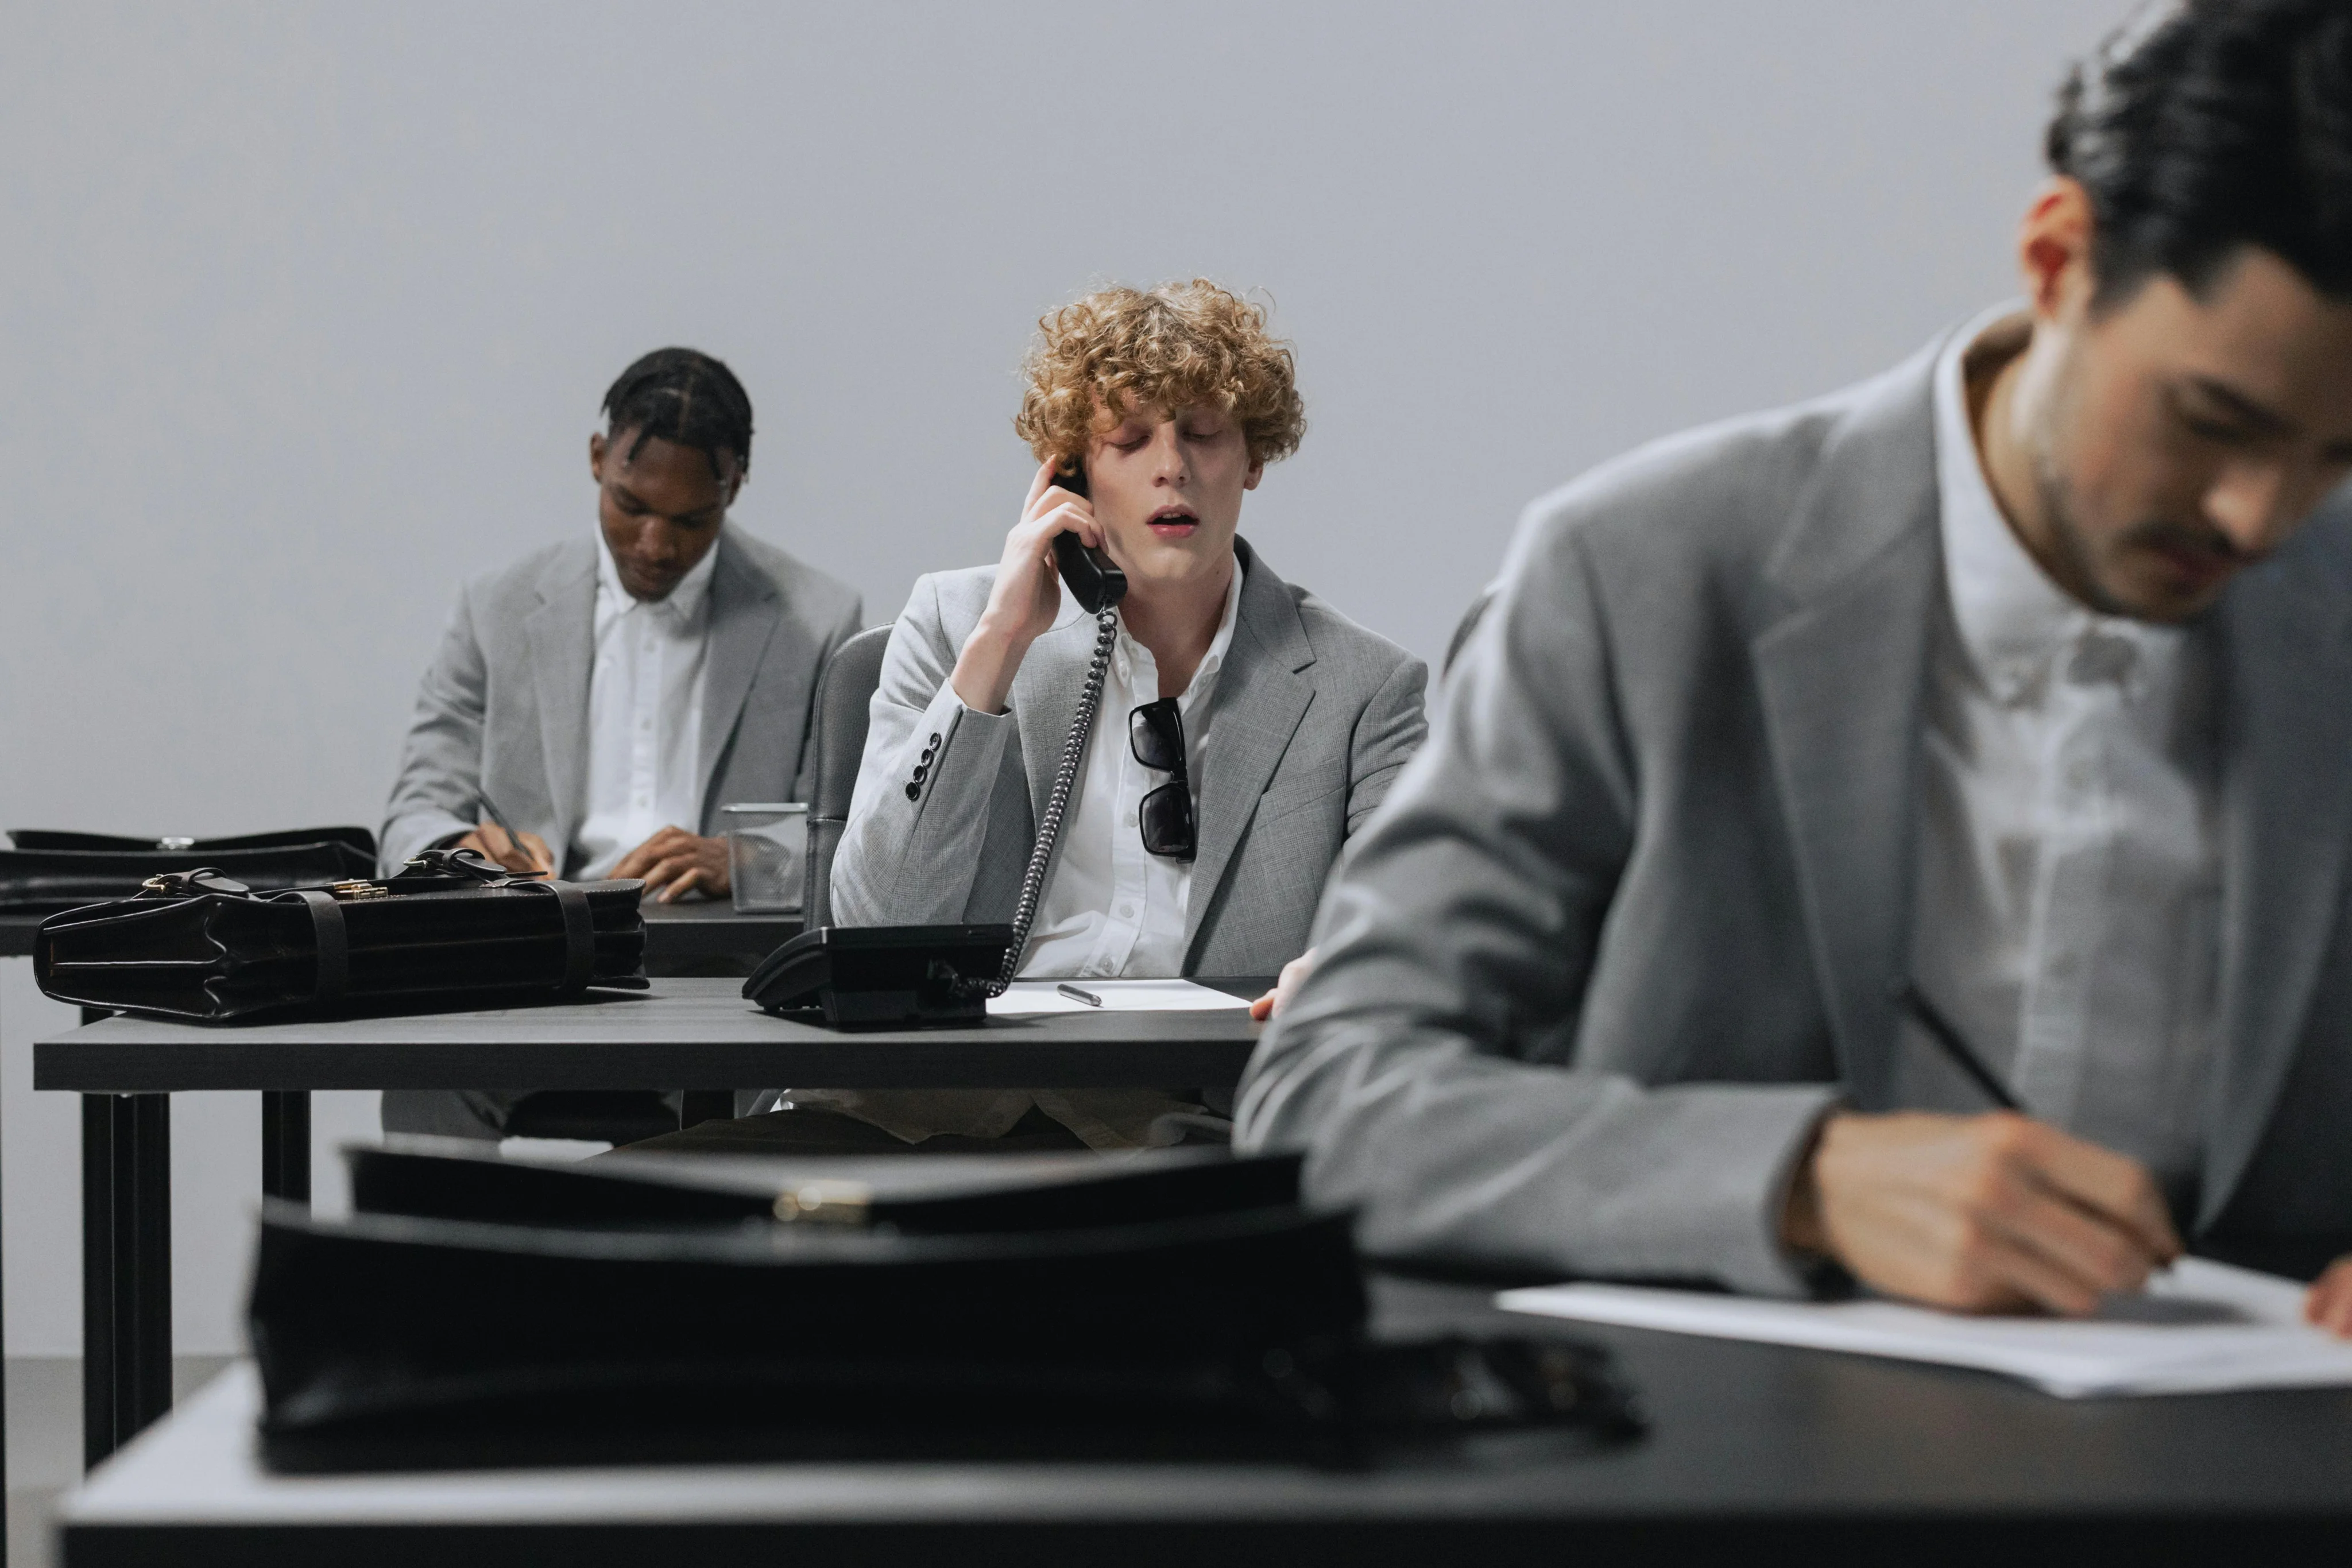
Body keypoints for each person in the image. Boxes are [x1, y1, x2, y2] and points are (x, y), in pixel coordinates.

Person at [1238, 0, 2352, 1335]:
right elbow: (1328, 1096)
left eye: (2336, 454)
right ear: (2057, 257)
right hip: (1722, 1497)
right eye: (2209, 420)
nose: (2258, 515)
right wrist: (1798, 1181)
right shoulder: (1641, 570)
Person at [652, 280, 1426, 1155]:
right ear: (1070, 470)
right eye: (1128, 440)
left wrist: (1359, 967)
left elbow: (1414, 919)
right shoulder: (955, 624)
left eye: (1204, 433)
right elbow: (875, 925)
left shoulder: (1365, 687)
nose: (1171, 466)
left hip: (1183, 1128)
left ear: (1253, 458)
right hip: (915, 1106)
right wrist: (1000, 644)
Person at [378, 347, 862, 1139]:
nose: (653, 543)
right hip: (529, 971)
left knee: (782, 1093)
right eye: (630, 504)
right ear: (598, 459)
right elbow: (412, 811)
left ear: (734, 487)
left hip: (722, 986)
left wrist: (745, 858)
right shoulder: (495, 606)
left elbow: (852, 843)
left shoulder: (817, 619)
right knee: (423, 1073)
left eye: (690, 520)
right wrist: (458, 850)